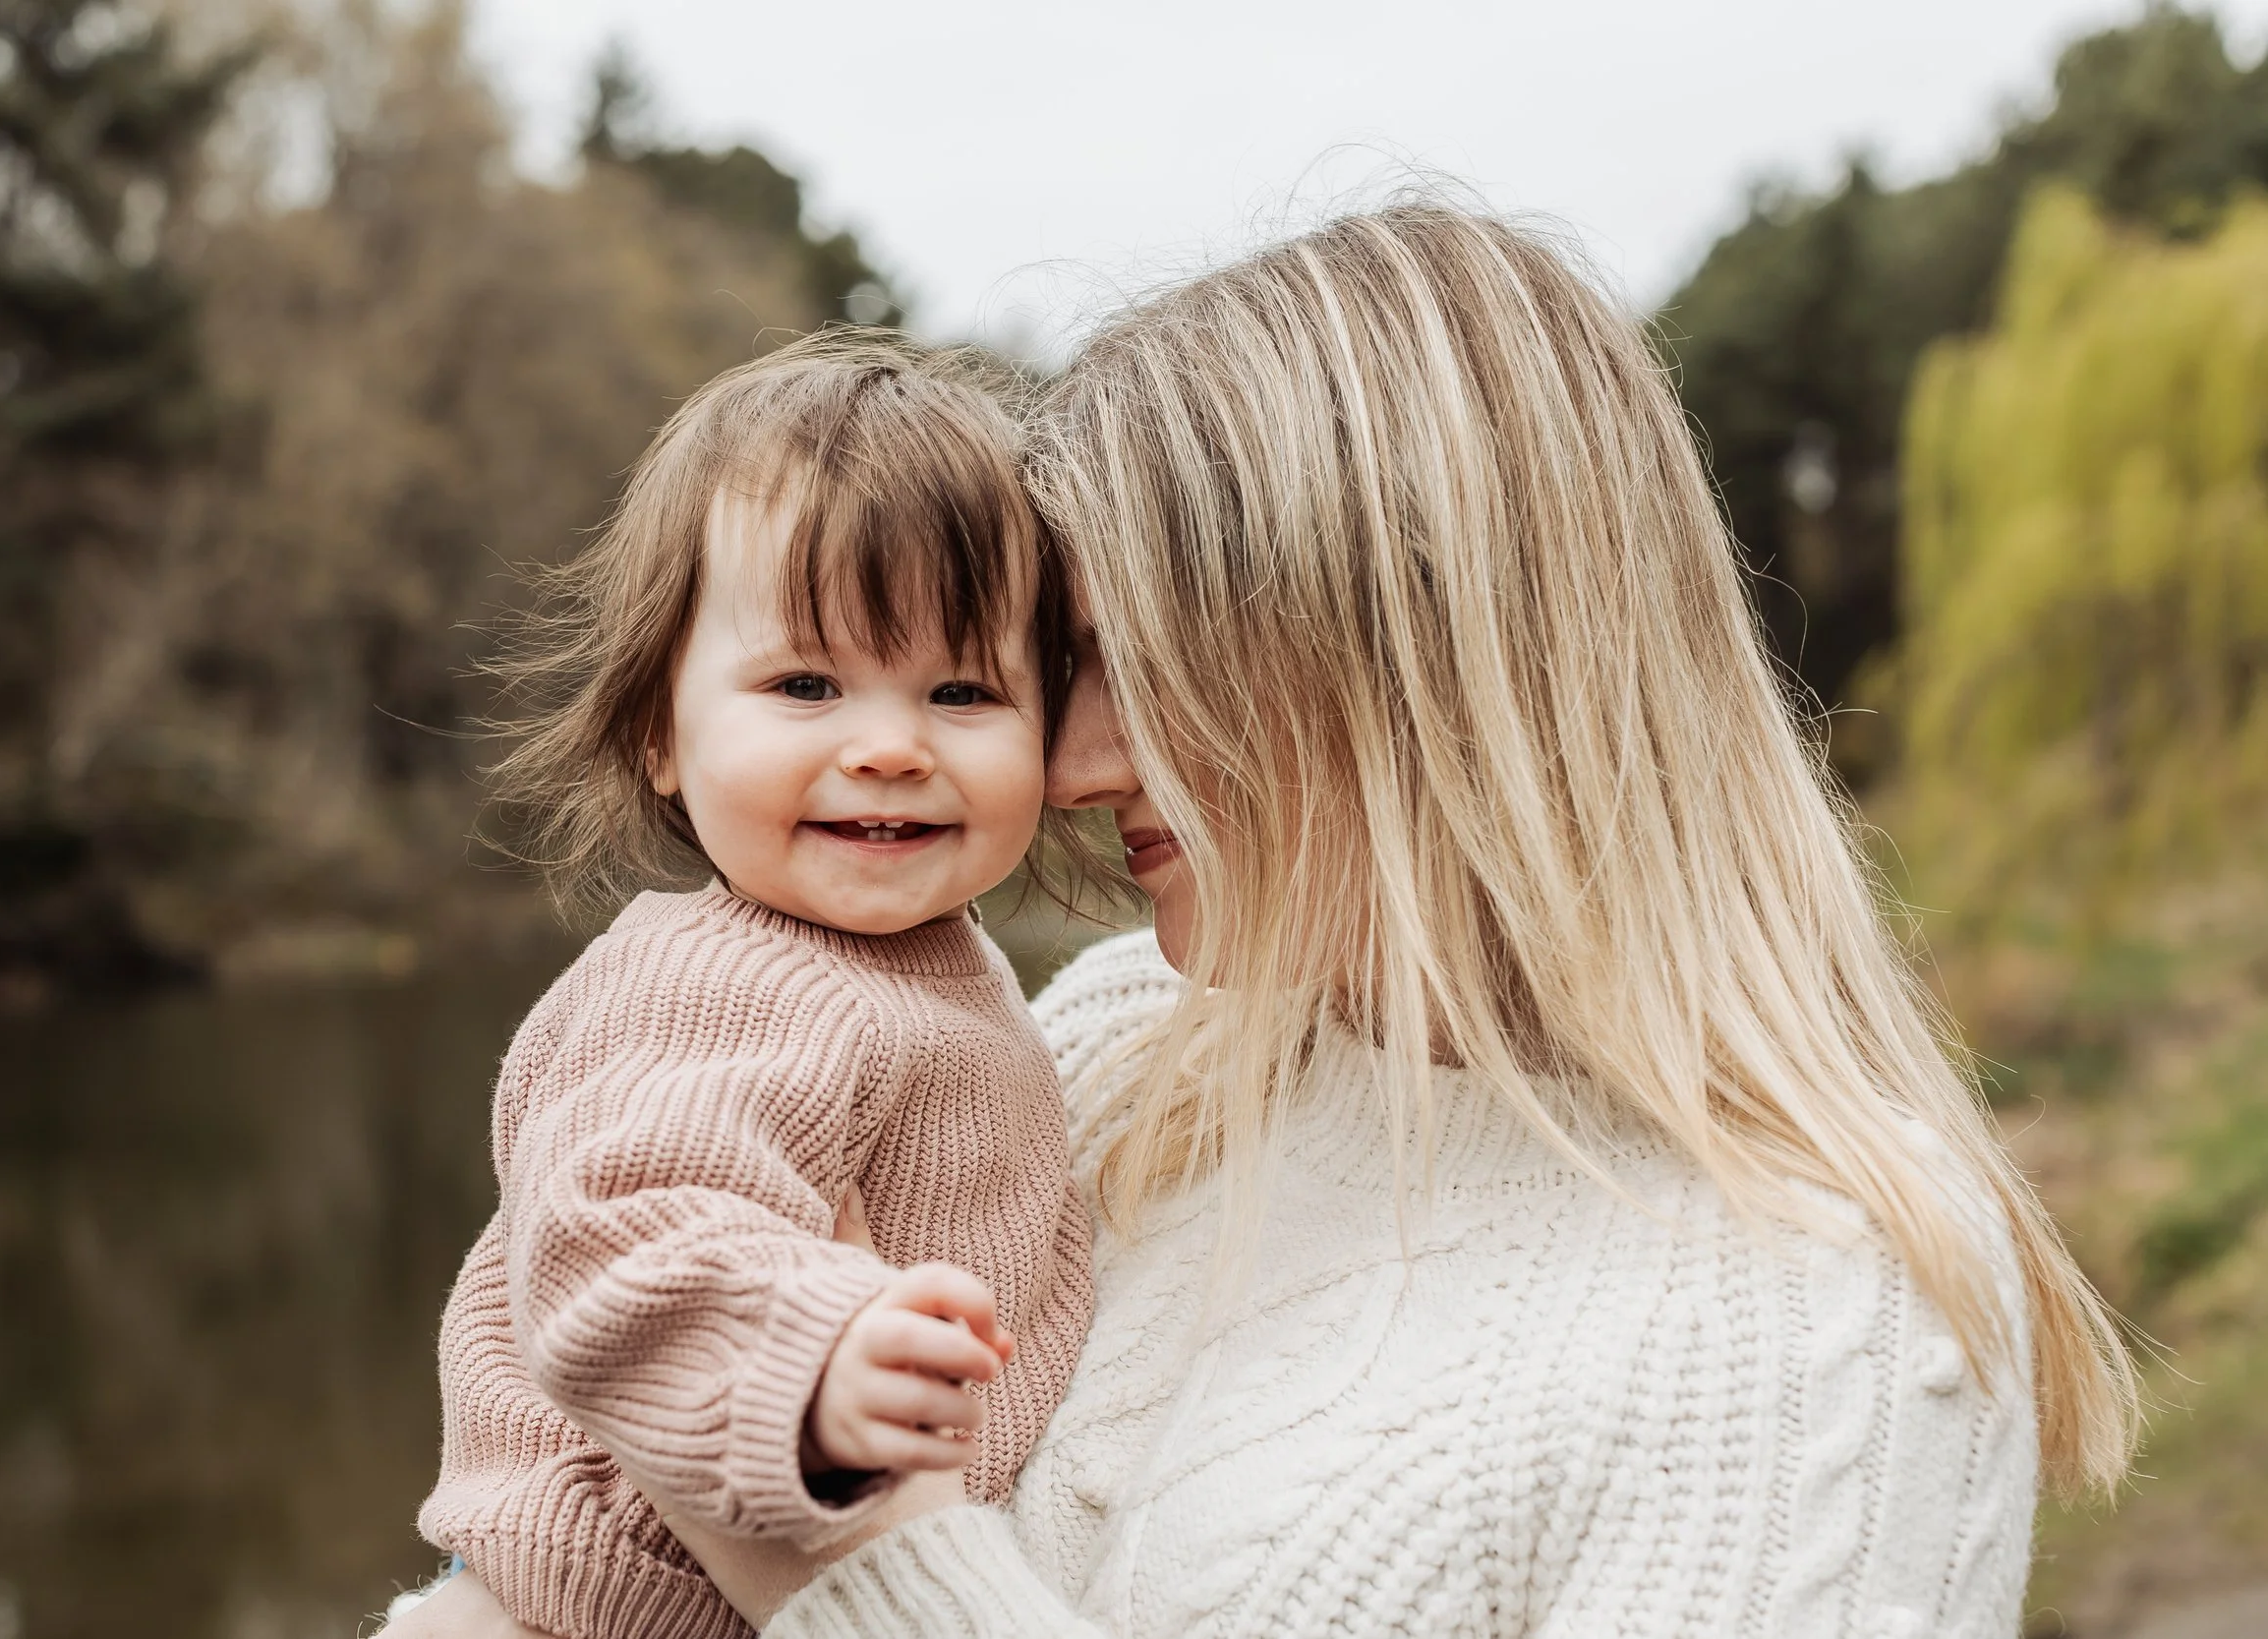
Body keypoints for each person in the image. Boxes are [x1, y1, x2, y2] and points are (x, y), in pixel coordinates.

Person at [394, 199, 2138, 1639]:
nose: (1068, 764)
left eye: (1111, 667)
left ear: (1409, 674)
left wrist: (851, 1548)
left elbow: (791, 1487)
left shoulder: (1818, 1313)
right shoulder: (1097, 1055)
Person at [410, 335, 1093, 1639]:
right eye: (806, 685)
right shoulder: (721, 977)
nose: (887, 746)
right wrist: (816, 1363)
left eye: (961, 688)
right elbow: (624, 1229)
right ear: (662, 729)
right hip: (580, 1615)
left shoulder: (938, 973)